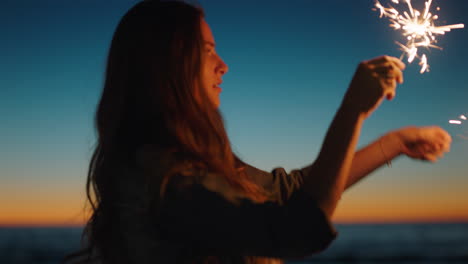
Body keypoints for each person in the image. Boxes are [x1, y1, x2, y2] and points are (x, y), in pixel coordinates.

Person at [64, 1, 452, 263]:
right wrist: (352, 110)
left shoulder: (180, 162)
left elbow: (291, 190)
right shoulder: (164, 179)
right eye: (207, 50)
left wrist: (394, 143)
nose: (224, 65)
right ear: (165, 65)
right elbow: (298, 229)